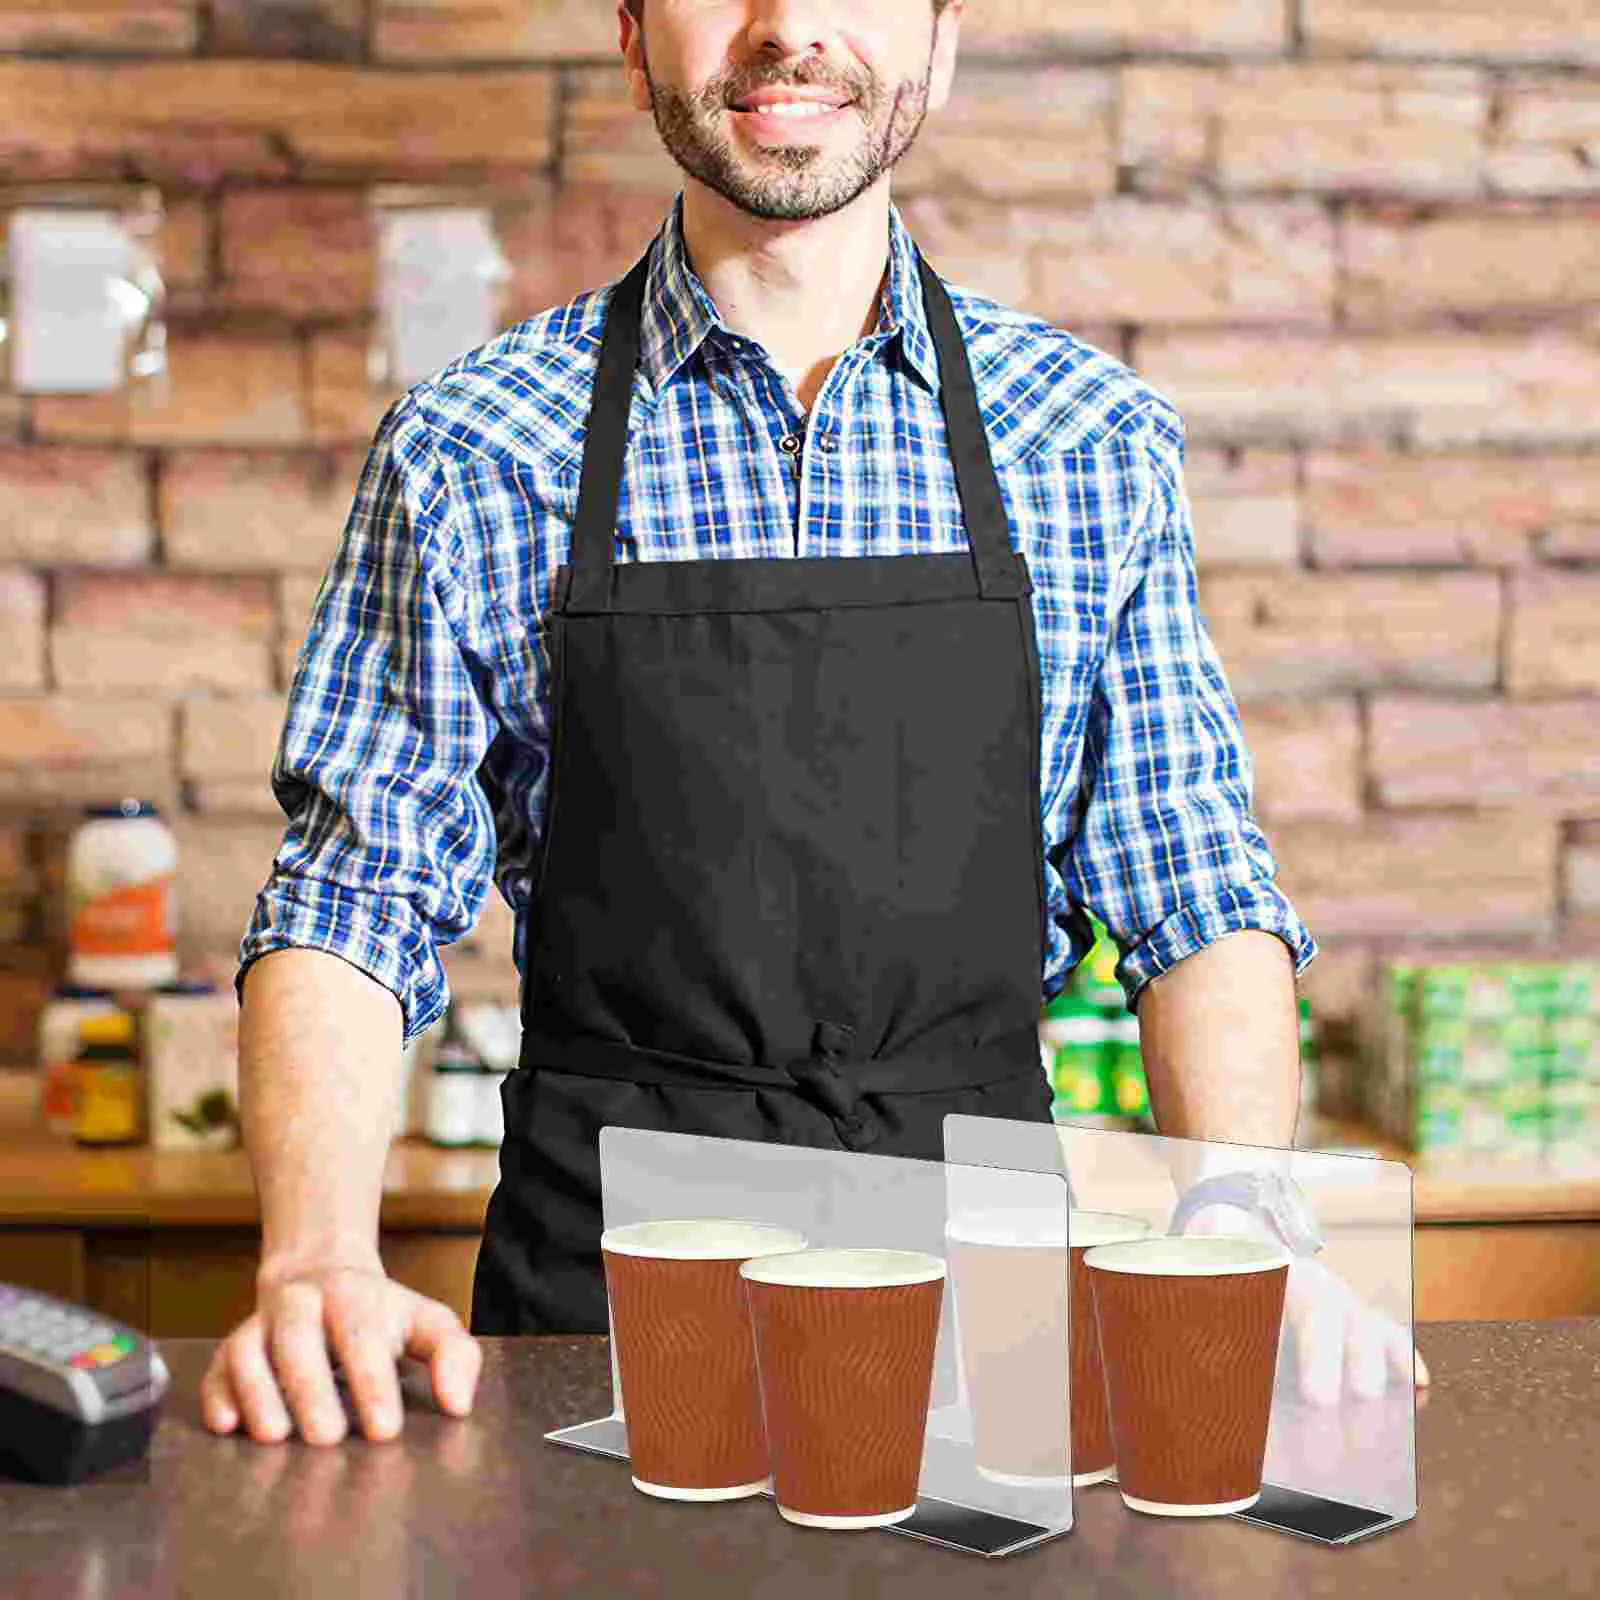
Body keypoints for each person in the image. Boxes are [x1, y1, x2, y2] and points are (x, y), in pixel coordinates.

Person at [202, 0, 1419, 1449]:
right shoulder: (475, 447)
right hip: (601, 1318)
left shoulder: (1087, 436)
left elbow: (1192, 880)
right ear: (636, 33)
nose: (789, 27)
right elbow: (355, 891)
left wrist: (1243, 1214)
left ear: (941, 40)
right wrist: (318, 1257)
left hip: (988, 1334)